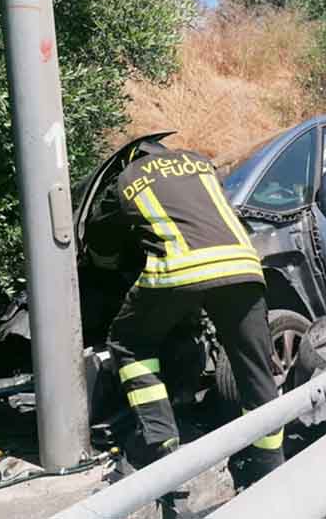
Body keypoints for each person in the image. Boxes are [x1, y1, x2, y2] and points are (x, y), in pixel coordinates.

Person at [85, 140, 285, 496]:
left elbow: (101, 240)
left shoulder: (126, 177)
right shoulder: (200, 164)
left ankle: (160, 441)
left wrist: (107, 263)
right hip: (243, 266)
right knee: (255, 368)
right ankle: (269, 467)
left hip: (177, 272)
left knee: (129, 343)